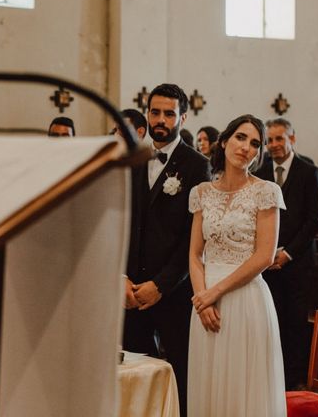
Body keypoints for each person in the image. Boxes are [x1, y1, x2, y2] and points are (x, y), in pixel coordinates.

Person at [187, 114, 286, 417]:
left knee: (244, 390)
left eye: (255, 143)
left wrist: (213, 292)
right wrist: (203, 301)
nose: (247, 147)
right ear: (225, 141)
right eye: (241, 138)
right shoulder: (202, 193)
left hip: (246, 300)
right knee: (210, 388)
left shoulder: (266, 191)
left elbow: (264, 256)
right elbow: (194, 254)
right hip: (205, 304)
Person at [123, 83, 211, 414]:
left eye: (169, 113)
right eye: (156, 112)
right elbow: (121, 224)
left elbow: (194, 238)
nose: (162, 120)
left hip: (173, 294)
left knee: (179, 376)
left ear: (183, 117)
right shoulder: (130, 160)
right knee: (133, 376)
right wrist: (121, 277)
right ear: (147, 114)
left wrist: (160, 285)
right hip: (130, 292)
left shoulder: (196, 166)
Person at [254, 118, 318, 390]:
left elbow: (316, 219)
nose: (273, 145)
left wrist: (288, 254)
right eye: (269, 140)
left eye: (278, 139)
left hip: (298, 262)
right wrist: (268, 252)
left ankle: (293, 380)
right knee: (271, 320)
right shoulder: (260, 172)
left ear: (292, 139)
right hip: (266, 262)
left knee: (295, 322)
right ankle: (271, 375)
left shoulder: (309, 172)